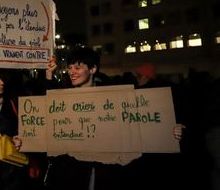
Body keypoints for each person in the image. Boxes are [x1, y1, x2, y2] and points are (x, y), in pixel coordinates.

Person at [43, 46, 183, 190]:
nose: (72, 72)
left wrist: (169, 131)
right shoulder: (64, 100)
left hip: (105, 173)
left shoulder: (114, 98)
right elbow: (49, 114)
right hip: (71, 174)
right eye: (70, 67)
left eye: (77, 68)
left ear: (92, 69)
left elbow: (141, 125)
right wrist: (49, 75)